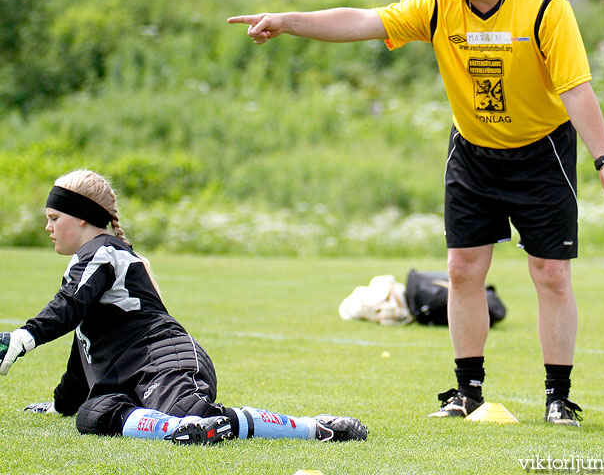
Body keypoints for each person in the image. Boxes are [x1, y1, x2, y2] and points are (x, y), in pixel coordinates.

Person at [226, 0, 604, 427]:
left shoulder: (544, 7)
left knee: (551, 275)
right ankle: (466, 390)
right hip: (473, 153)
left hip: (541, 153)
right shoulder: (440, 6)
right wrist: (288, 22)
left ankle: (559, 397)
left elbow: (576, 90)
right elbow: (365, 20)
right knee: (463, 270)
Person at [0, 169, 367, 444]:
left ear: (81, 216)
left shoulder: (104, 252)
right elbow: (84, 343)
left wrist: (24, 337)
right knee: (92, 415)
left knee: (189, 413)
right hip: (126, 379)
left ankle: (315, 427)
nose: (47, 227)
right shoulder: (89, 260)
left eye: (54, 218)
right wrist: (60, 405)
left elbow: (68, 306)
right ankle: (181, 431)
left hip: (166, 359)